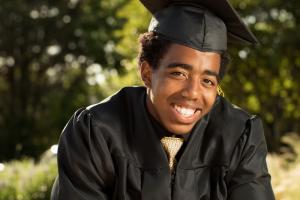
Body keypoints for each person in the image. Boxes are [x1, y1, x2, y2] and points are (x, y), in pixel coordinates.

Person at [51, 0, 275, 199]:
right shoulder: (95, 132)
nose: (192, 93)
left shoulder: (239, 135)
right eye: (179, 73)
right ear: (147, 73)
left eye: (207, 81)